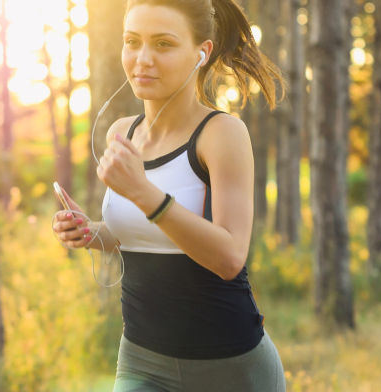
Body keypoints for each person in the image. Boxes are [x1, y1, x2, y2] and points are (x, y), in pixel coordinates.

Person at [53, 0, 288, 390]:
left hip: (231, 368)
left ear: (202, 52)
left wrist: (145, 193)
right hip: (142, 362)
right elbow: (140, 235)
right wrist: (92, 232)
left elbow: (229, 257)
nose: (142, 59)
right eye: (133, 42)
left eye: (163, 44)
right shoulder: (121, 133)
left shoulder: (221, 134)